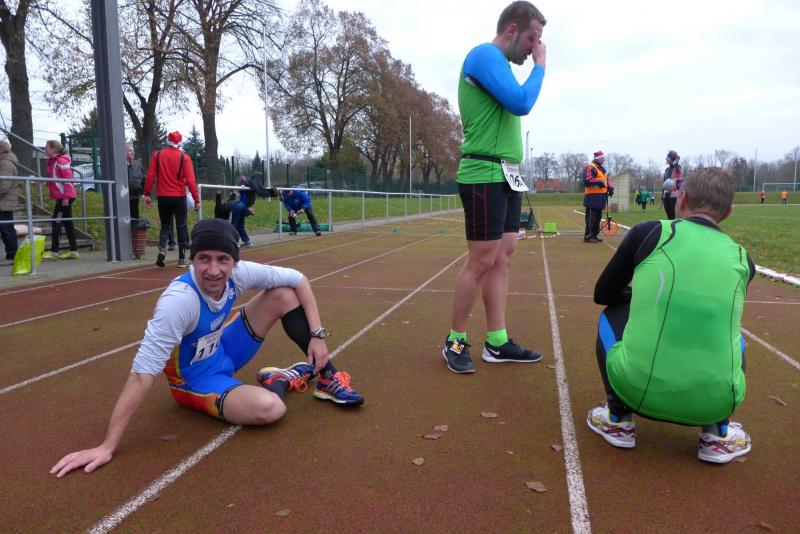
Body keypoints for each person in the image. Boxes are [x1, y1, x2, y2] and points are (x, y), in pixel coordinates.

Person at [50, 219, 364, 478]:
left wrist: (317, 336)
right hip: (196, 379)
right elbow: (141, 374)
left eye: (222, 260)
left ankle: (328, 377)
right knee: (271, 409)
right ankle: (279, 381)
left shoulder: (239, 273)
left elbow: (298, 279)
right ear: (192, 260)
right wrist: (107, 445)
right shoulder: (178, 303)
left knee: (283, 294)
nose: (213, 270)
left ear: (234, 262)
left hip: (224, 348)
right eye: (204, 259)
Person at [586, 167, 754, 464]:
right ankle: (717, 433)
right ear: (728, 212)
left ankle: (618, 418)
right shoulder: (743, 258)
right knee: (731, 332)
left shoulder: (649, 233)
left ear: (682, 199)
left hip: (637, 390)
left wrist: (638, 295)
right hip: (715, 403)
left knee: (611, 314)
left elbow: (603, 294)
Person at [441, 1, 547, 374]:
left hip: (507, 175)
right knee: (482, 260)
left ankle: (497, 342)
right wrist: (541, 67)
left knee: (504, 257)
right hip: (483, 173)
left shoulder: (502, 67)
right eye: (533, 38)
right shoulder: (484, 56)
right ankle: (455, 340)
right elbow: (521, 102)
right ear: (512, 30)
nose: (535, 47)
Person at [143, 131, 200, 268]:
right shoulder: (184, 158)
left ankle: (162, 249)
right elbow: (191, 181)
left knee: (165, 225)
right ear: (180, 143)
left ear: (167, 141)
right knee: (181, 226)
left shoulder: (157, 155)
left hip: (163, 196)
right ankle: (182, 259)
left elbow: (150, 175)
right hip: (179, 196)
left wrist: (147, 193)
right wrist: (196, 199)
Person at [41, 140, 80, 260]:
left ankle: (54, 251)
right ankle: (74, 251)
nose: (45, 150)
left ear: (53, 149)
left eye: (46, 147)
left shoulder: (61, 161)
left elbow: (68, 178)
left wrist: (66, 197)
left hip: (65, 197)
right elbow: (55, 177)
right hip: (63, 196)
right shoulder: (54, 161)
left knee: (56, 221)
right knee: (68, 223)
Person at [0, 140, 19, 265]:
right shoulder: (5, 161)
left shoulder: (5, 163)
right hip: (5, 202)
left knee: (7, 230)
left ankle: (12, 256)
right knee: (6, 229)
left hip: (4, 203)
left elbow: (4, 186)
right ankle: (11, 255)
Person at [583, 151, 608, 243]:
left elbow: (606, 180)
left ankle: (594, 235)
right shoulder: (591, 167)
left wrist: (610, 187)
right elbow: (587, 180)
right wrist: (598, 182)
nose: (604, 159)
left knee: (597, 218)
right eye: (602, 158)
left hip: (601, 197)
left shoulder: (602, 169)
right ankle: (588, 236)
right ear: (597, 159)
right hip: (592, 197)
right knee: (591, 218)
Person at [231, 174, 256, 247]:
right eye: (241, 177)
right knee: (240, 225)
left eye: (243, 177)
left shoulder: (249, 185)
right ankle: (247, 241)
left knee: (235, 224)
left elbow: (245, 184)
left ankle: (234, 242)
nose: (242, 178)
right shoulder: (243, 186)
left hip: (241, 206)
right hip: (243, 206)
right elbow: (240, 185)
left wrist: (243, 181)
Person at [126, 144, 145, 223]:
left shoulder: (137, 165)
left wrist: (144, 193)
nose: (133, 152)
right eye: (130, 151)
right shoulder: (119, 165)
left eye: (133, 150)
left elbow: (143, 179)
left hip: (135, 198)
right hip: (123, 198)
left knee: (135, 220)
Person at [662, 150, 682, 220]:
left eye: (667, 157)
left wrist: (675, 156)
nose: (666, 158)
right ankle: (670, 226)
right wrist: (662, 196)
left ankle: (676, 226)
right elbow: (664, 183)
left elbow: (676, 162)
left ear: (672, 158)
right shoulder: (666, 170)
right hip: (666, 196)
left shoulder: (678, 167)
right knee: (669, 216)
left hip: (674, 196)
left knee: (674, 216)